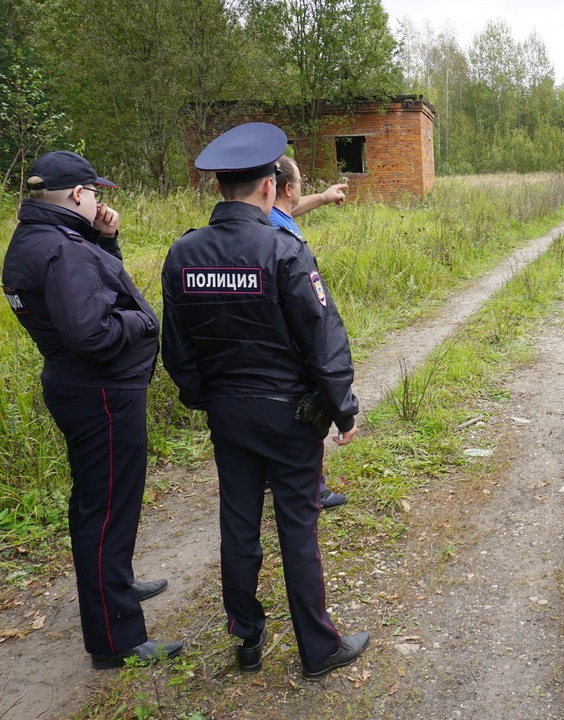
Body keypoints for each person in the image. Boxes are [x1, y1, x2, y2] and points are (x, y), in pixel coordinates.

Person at [161, 122, 369, 678]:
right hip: (288, 416)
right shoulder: (284, 250)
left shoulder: (183, 254)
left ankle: (247, 636)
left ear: (220, 189)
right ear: (270, 188)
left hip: (229, 414)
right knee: (296, 526)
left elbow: (176, 349)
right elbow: (322, 337)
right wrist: (342, 407)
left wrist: (207, 397)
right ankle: (318, 648)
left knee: (237, 524)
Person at [1, 151, 182, 668]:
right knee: (105, 511)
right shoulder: (63, 250)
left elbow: (95, 291)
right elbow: (91, 331)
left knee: (101, 502)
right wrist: (143, 323)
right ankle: (115, 638)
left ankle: (116, 588)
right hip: (100, 392)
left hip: (81, 389)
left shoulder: (36, 239)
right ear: (79, 194)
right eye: (95, 193)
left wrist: (106, 239)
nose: (100, 201)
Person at [270, 156, 349, 509]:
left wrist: (325, 196)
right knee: (304, 403)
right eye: (300, 183)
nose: (302, 190)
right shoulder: (279, 234)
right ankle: (310, 488)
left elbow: (291, 207)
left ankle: (275, 477)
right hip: (291, 335)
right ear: (286, 188)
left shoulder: (266, 215)